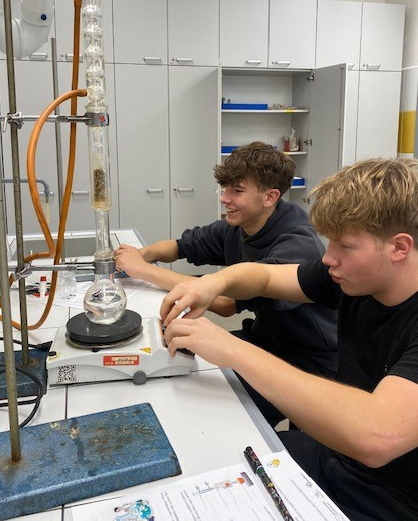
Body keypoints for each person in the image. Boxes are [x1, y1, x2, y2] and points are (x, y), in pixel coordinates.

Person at [161, 158, 418, 521]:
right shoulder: (356, 278)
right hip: (336, 457)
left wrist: (232, 350)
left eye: (344, 245)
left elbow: (378, 436)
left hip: (393, 500)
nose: (328, 258)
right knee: (207, 463)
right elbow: (266, 278)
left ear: (399, 247)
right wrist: (213, 283)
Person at [115, 142, 338, 426]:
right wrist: (141, 254)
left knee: (222, 417)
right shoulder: (238, 226)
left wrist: (144, 271)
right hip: (267, 338)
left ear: (270, 197)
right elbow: (182, 246)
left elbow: (225, 303)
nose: (224, 198)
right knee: (185, 376)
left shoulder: (297, 242)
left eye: (237, 190)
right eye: (224, 188)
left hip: (309, 361)